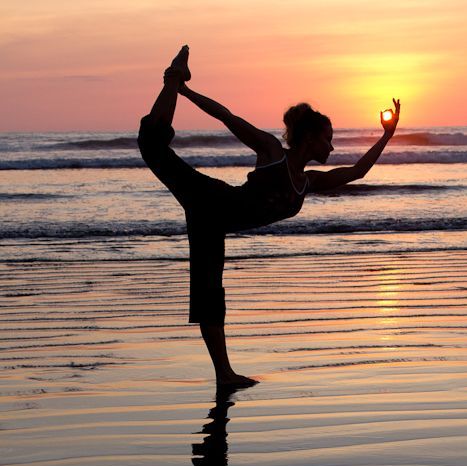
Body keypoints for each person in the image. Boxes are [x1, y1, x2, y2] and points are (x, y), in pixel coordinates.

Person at [138, 46, 400, 386]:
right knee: (153, 145)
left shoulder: (309, 182)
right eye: (328, 140)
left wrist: (387, 135)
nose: (332, 148)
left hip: (215, 223)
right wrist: (186, 92)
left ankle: (225, 376)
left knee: (210, 295)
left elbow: (357, 172)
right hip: (209, 200)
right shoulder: (272, 152)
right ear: (309, 138)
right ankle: (173, 77)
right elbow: (227, 117)